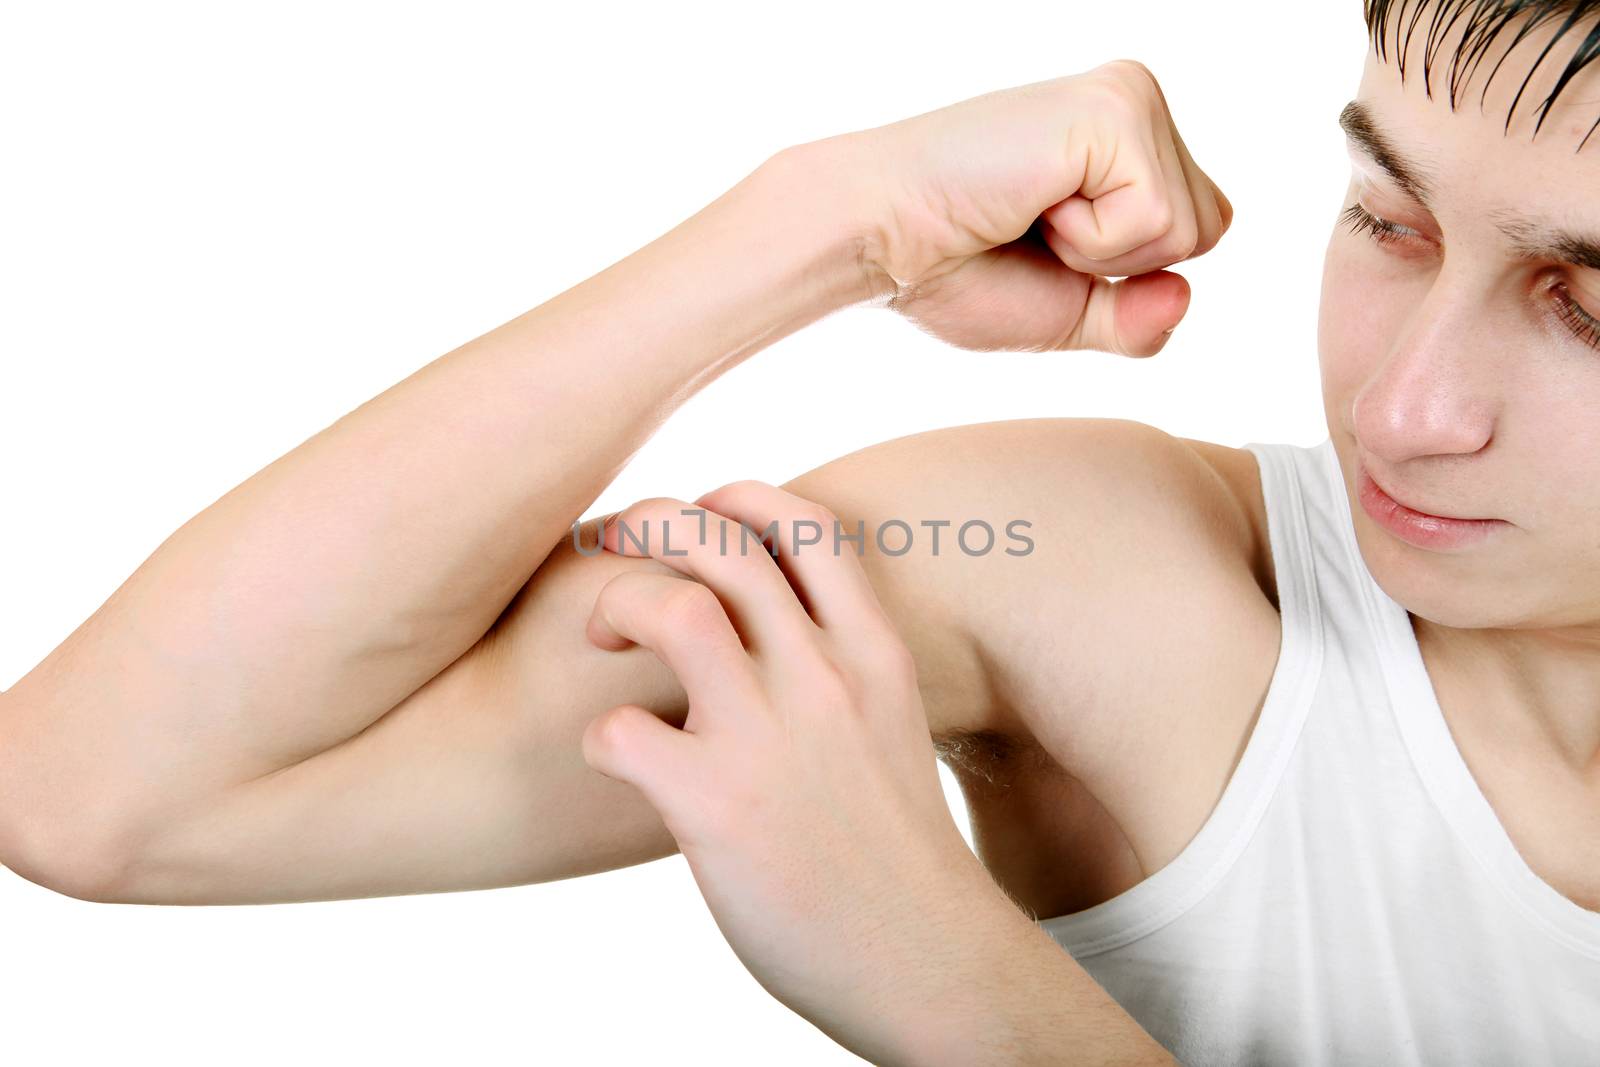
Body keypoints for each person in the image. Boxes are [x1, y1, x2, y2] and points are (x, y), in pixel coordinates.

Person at [2, 0, 1598, 1061]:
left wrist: (933, 968)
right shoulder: (1124, 582)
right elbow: (105, 794)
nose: (1404, 408)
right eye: (1390, 222)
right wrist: (826, 222)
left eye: (1588, 310)